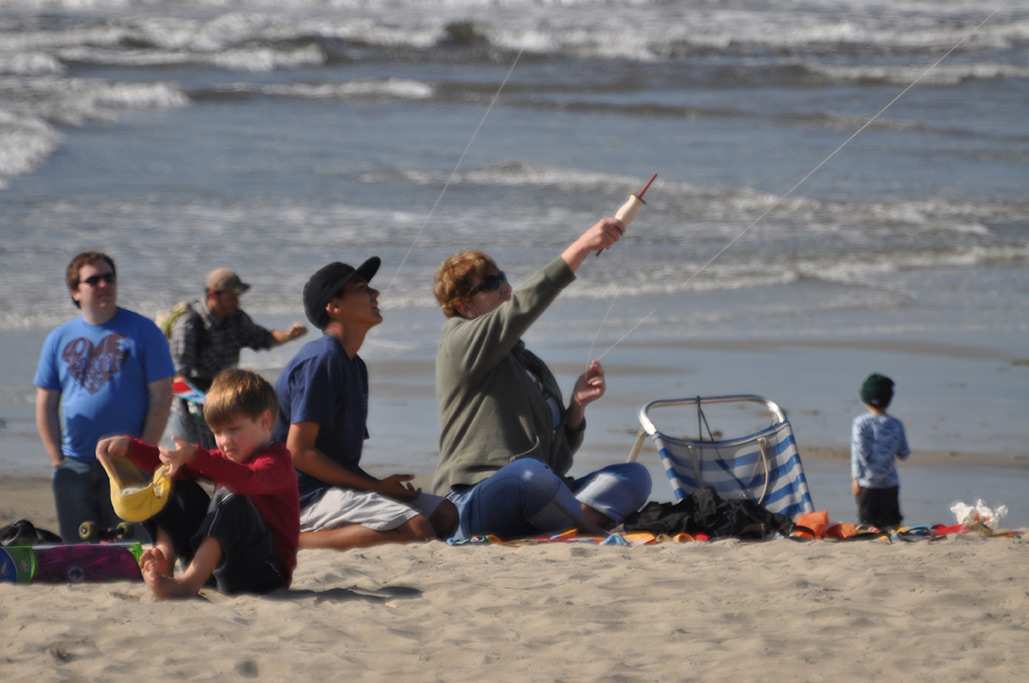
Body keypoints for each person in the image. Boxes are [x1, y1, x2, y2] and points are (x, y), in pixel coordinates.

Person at [431, 217, 652, 540]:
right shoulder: (459, 342)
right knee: (528, 475)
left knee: (633, 476)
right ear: (464, 306)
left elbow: (557, 461)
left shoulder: (526, 364)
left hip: (541, 489)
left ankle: (556, 521)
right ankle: (583, 526)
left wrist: (576, 409)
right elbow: (521, 307)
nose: (506, 288)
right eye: (491, 284)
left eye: (503, 277)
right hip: (473, 497)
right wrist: (583, 246)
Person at [273, 257, 457, 550]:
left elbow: (340, 459)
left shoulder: (354, 365)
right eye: (361, 288)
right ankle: (287, 540)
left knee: (445, 515)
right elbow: (298, 452)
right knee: (417, 528)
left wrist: (381, 486)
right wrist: (375, 488)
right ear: (334, 307)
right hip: (299, 496)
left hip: (331, 488)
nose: (376, 294)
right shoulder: (321, 360)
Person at [96, 368, 298, 598]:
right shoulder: (227, 460)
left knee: (231, 495)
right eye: (217, 432)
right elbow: (169, 461)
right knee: (173, 480)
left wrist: (196, 455)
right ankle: (165, 558)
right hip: (217, 568)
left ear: (265, 421)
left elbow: (248, 480)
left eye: (233, 430)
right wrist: (130, 448)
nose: (223, 441)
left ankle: (187, 583)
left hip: (263, 573)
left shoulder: (277, 463)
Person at [34, 251, 175, 542]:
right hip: (76, 462)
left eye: (108, 278)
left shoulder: (144, 331)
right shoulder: (59, 338)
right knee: (79, 550)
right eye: (93, 280)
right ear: (75, 291)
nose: (103, 285)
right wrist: (57, 459)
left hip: (128, 460)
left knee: (132, 547)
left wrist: (143, 452)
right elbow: (46, 404)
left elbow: (161, 398)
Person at [169, 267, 307, 449]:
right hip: (192, 405)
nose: (237, 301)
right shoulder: (190, 323)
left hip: (224, 397)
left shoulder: (236, 319)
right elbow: (177, 380)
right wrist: (207, 402)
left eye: (237, 296)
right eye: (232, 296)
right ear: (213, 295)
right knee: (196, 464)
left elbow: (264, 339)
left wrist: (289, 335)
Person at [851, 373, 910, 529]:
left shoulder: (860, 423)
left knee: (867, 524)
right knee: (892, 523)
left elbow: (859, 453)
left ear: (864, 398)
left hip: (867, 484)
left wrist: (856, 477)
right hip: (890, 484)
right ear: (888, 399)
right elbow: (904, 453)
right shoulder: (896, 424)